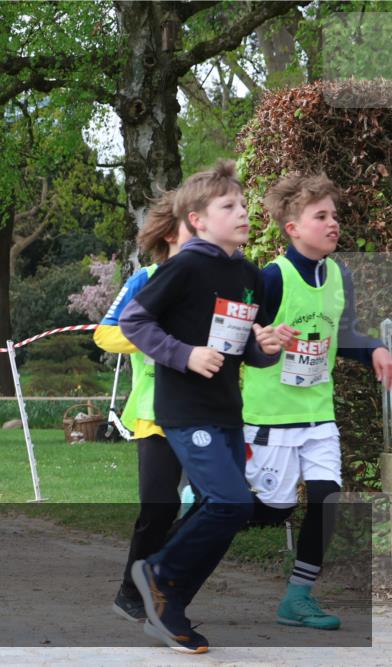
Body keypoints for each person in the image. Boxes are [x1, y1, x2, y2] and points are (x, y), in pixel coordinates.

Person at [120, 160, 289, 654]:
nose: (242, 212)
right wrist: (184, 354)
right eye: (228, 206)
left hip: (225, 409)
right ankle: (157, 573)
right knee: (230, 501)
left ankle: (167, 603)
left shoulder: (251, 276)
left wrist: (266, 346)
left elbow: (244, 350)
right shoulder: (186, 266)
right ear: (196, 219)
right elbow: (134, 321)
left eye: (242, 204)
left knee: (231, 509)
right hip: (183, 408)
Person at [241, 172, 392, 630]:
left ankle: (298, 598)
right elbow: (241, 341)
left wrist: (374, 349)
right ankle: (202, 510)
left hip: (318, 413)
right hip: (271, 416)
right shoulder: (272, 277)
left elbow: (340, 336)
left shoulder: (337, 274)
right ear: (293, 228)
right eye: (321, 216)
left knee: (328, 498)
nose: (333, 224)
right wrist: (264, 341)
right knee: (275, 510)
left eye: (335, 216)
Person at [93, 190, 194, 622]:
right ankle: (130, 590)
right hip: (154, 413)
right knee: (159, 507)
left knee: (217, 506)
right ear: (171, 234)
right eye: (194, 224)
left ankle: (161, 575)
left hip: (207, 410)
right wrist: (154, 338)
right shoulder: (144, 279)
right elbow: (104, 334)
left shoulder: (213, 278)